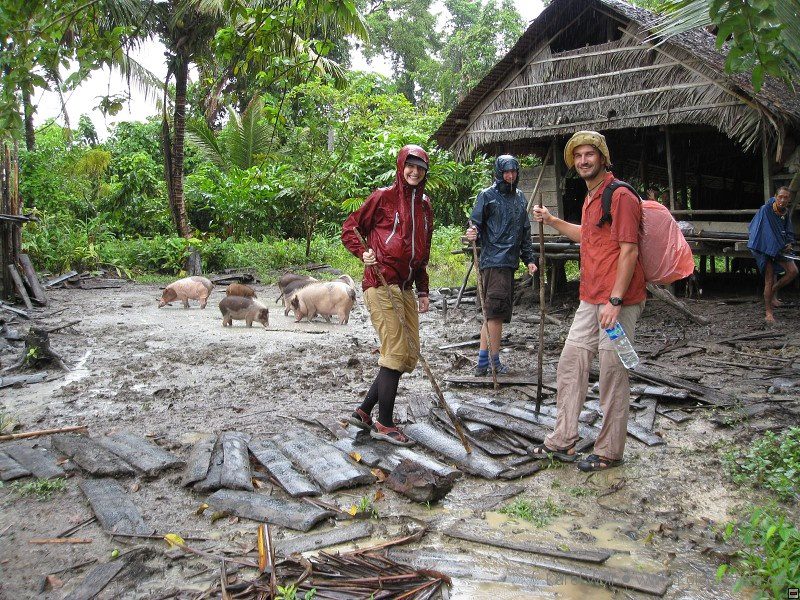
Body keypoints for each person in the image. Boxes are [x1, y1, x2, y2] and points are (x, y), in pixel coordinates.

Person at [532, 131, 646, 472]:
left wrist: (615, 300)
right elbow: (588, 235)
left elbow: (629, 250)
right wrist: (552, 222)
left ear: (602, 158)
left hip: (618, 303)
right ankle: (563, 440)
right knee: (571, 363)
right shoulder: (592, 197)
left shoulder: (620, 195)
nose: (583, 160)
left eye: (589, 154)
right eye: (578, 156)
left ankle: (610, 450)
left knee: (613, 372)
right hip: (590, 298)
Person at [341, 145, 433, 446]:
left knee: (407, 353)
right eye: (410, 165)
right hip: (380, 283)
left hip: (406, 287)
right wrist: (364, 252)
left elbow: (422, 253)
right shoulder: (383, 197)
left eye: (420, 167)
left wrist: (423, 290)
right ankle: (385, 421)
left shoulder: (425, 206)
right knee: (394, 348)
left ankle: (365, 410)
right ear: (401, 166)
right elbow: (350, 229)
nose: (414, 172)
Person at [465, 155, 537, 376]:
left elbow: (525, 232)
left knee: (496, 314)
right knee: (494, 314)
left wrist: (530, 259)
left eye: (514, 171)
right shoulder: (487, 196)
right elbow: (474, 223)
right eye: (506, 171)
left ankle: (488, 360)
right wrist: (471, 232)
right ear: (498, 172)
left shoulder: (520, 198)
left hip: (509, 263)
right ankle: (486, 362)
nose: (511, 175)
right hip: (493, 261)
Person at [747, 186, 798, 322]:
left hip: (779, 248)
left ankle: (772, 291)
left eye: (785, 197)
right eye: (780, 197)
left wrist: (790, 243)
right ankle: (769, 313)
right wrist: (776, 246)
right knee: (769, 279)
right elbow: (763, 232)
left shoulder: (785, 213)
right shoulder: (766, 210)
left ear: (789, 200)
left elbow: (788, 231)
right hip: (765, 248)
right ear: (775, 197)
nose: (782, 200)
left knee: (793, 271)